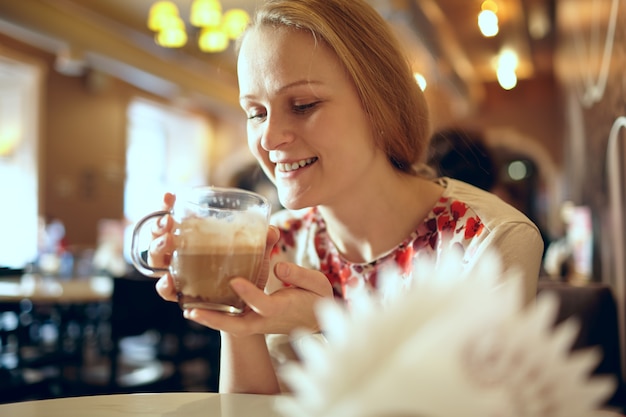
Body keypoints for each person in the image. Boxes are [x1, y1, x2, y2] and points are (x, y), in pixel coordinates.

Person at [146, 0, 544, 395]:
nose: (268, 138)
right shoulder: (274, 244)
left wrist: (329, 323)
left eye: (302, 105)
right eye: (256, 112)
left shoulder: (488, 241)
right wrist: (234, 308)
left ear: (380, 105)